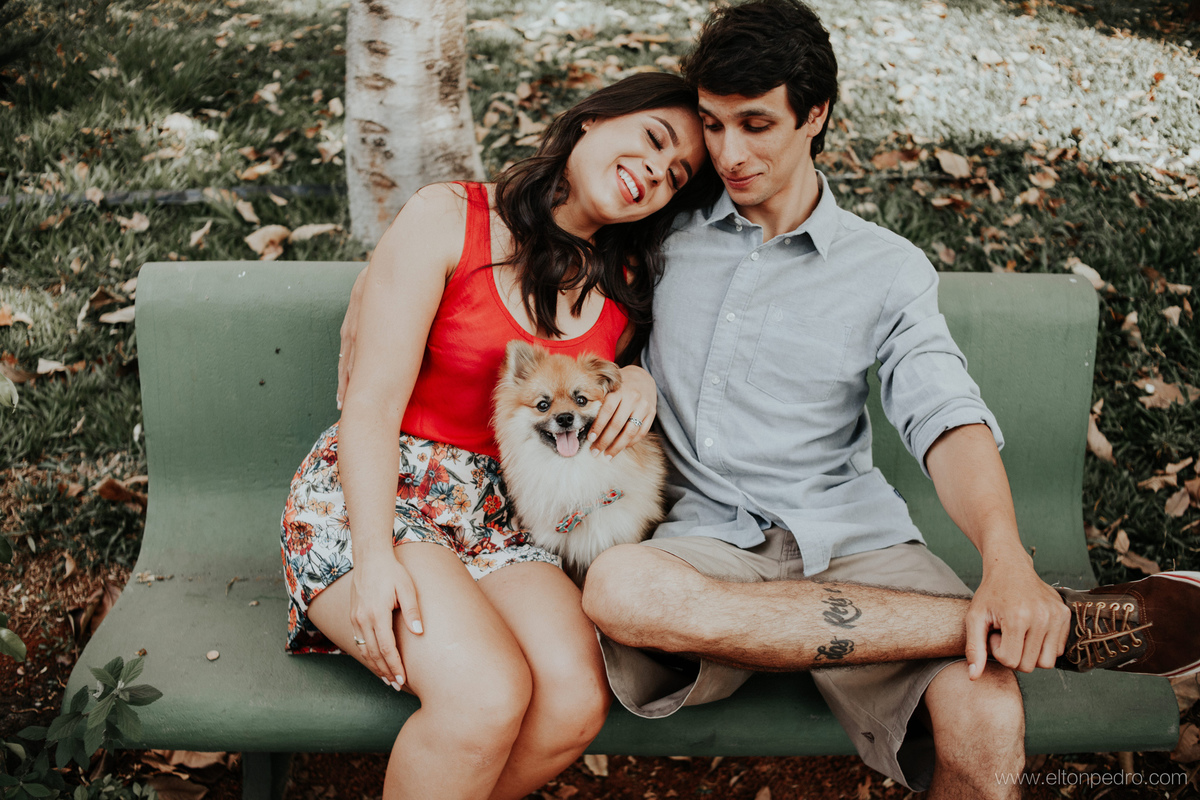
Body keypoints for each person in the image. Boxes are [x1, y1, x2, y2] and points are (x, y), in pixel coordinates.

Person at [565, 2, 1197, 798]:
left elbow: (945, 416)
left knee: (986, 721)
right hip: (706, 551)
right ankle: (1062, 626)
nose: (728, 153)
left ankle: (994, 617)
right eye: (713, 125)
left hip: (853, 542)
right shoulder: (662, 230)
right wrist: (629, 374)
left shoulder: (887, 268)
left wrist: (1005, 559)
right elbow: (569, 308)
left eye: (756, 125)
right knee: (621, 587)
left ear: (815, 115)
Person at [281, 71, 716, 800]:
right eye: (653, 138)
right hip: (383, 493)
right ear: (593, 118)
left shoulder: (625, 284)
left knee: (575, 702)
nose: (655, 171)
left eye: (676, 175)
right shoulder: (448, 217)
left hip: (502, 520)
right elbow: (371, 404)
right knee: (485, 695)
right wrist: (373, 557)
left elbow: (618, 382)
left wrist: (637, 379)